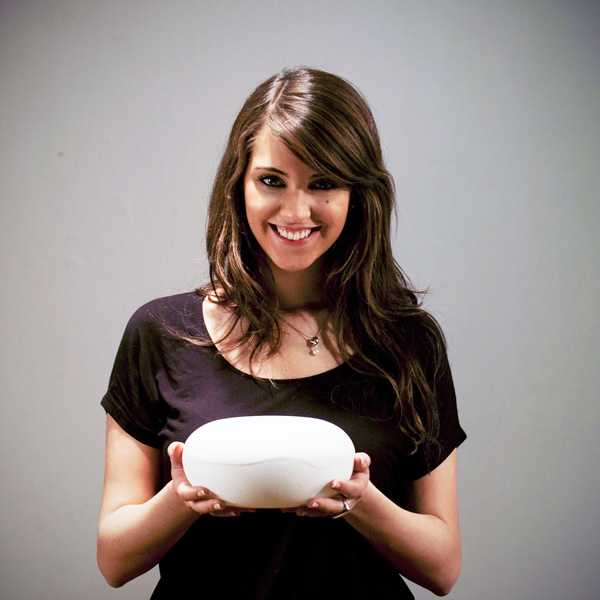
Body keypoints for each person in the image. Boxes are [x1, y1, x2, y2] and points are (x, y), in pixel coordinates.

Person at [97, 67, 466, 599]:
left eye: (323, 183)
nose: (296, 211)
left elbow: (443, 567)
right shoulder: (159, 334)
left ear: (358, 194)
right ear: (239, 186)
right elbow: (113, 560)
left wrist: (359, 502)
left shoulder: (409, 343)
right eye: (272, 181)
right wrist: (180, 498)